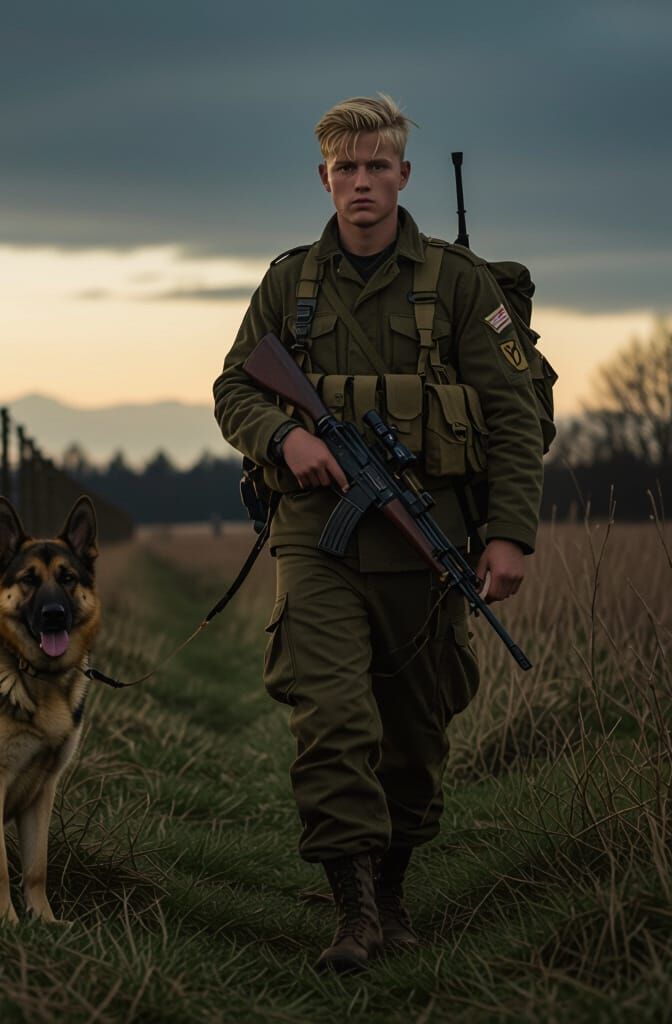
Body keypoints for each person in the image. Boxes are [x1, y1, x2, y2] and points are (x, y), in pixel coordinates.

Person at [212, 94, 543, 974]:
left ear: (403, 173)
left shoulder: (460, 285)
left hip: (428, 539)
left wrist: (508, 535)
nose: (361, 183)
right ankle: (353, 911)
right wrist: (285, 436)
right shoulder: (290, 284)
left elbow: (513, 418)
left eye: (377, 167)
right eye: (345, 170)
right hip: (316, 538)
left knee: (417, 729)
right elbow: (233, 388)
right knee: (332, 718)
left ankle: (392, 887)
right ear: (324, 178)